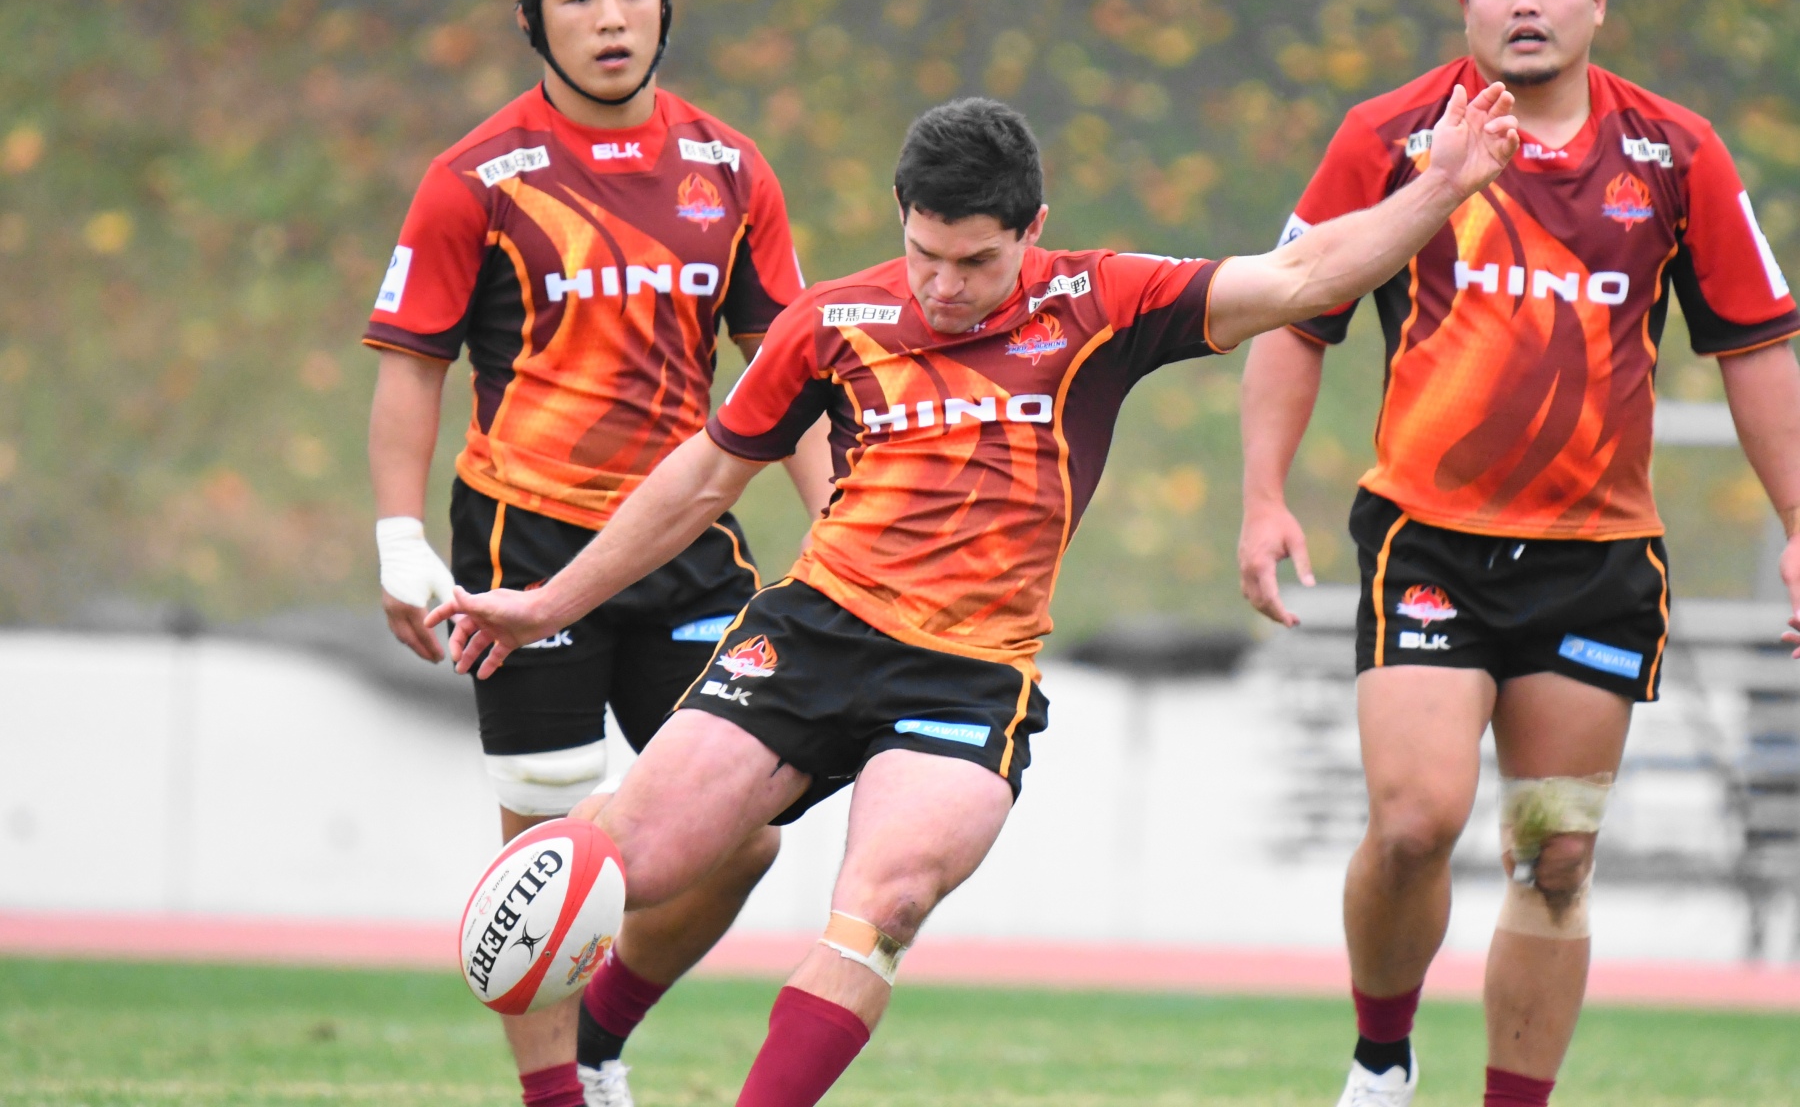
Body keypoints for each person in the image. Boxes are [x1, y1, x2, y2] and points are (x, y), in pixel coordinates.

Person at [428, 86, 1521, 1107]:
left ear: (1032, 228)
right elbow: (704, 478)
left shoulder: (1102, 301)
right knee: (625, 859)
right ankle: (592, 1049)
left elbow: (1302, 278)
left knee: (885, 906)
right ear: (900, 217)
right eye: (926, 255)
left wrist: (1443, 186)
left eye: (977, 263)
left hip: (966, 674)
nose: (945, 287)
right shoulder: (833, 320)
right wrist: (548, 602)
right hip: (810, 634)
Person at [1236, 0, 1800, 1105]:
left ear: (1598, 1)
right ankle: (1381, 1059)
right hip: (1428, 544)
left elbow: (1756, 347)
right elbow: (1293, 313)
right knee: (1415, 822)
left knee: (1556, 856)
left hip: (1595, 563)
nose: (1525, 4)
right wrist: (1262, 496)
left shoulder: (1676, 153)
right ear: (1466, 9)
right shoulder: (1391, 138)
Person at [363, 0, 832, 1105]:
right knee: (547, 843)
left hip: (688, 545)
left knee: (745, 832)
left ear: (667, 5)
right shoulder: (476, 178)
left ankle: (603, 1034)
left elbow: (788, 376)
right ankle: (558, 1097)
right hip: (524, 545)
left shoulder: (732, 170)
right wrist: (399, 538)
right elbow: (411, 365)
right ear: (532, 20)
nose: (611, 18)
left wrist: (841, 529)